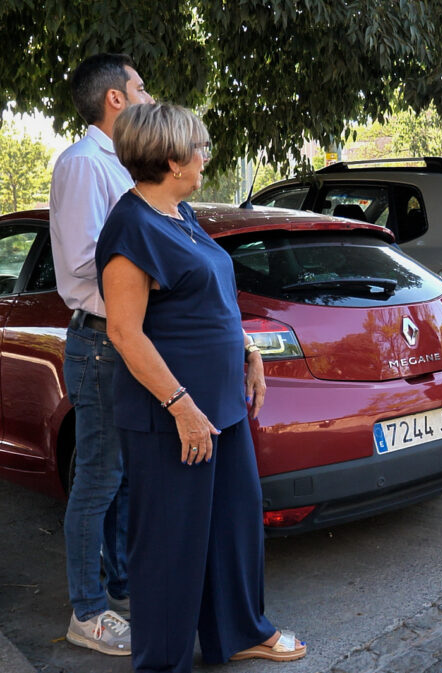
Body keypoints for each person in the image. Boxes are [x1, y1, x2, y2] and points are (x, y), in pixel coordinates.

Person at [95, 103, 306, 672]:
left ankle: (237, 633)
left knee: (233, 527)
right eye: (200, 148)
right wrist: (182, 408)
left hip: (222, 405)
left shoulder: (178, 212)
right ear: (171, 159)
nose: (206, 157)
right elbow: (123, 331)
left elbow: (209, 297)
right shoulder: (131, 228)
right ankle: (162, 662)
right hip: (173, 417)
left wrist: (248, 350)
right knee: (170, 546)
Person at [50, 52, 154, 656]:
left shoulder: (118, 164)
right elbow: (91, 260)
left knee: (119, 478)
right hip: (100, 337)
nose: (147, 95)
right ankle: (87, 612)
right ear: (114, 98)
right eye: (139, 86)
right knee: (96, 480)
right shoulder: (84, 164)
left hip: (126, 334)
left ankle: (118, 585)